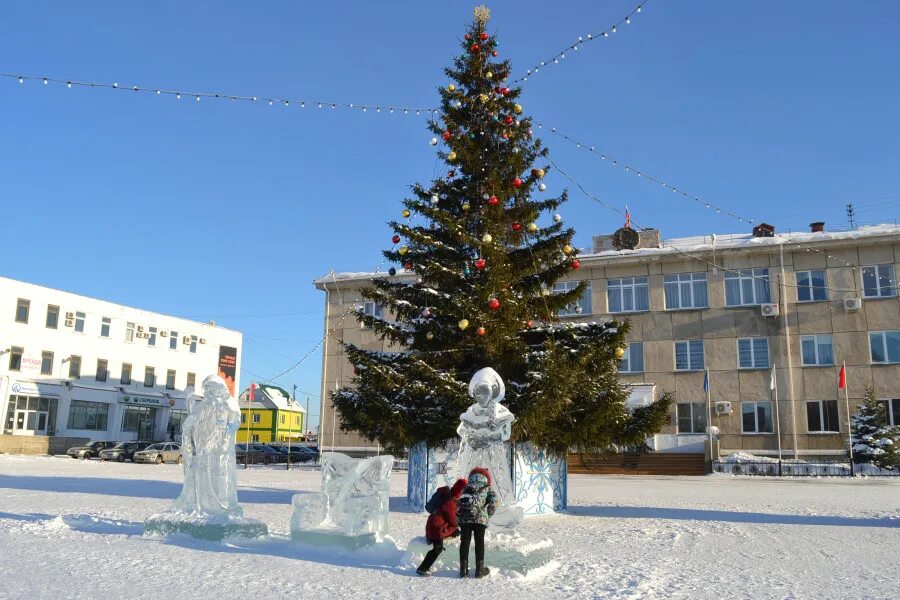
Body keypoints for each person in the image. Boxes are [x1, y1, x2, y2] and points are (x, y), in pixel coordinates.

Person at [416, 478, 468, 576]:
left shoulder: (447, 497)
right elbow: (453, 521)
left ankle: (423, 568)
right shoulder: (451, 502)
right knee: (438, 549)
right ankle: (422, 568)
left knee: (440, 545)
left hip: (433, 526)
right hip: (437, 529)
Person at [456, 466, 497, 578]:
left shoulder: (466, 486)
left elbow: (459, 502)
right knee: (479, 543)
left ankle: (463, 570)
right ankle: (479, 571)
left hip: (465, 518)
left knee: (465, 542)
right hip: (480, 519)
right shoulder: (487, 487)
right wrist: (487, 514)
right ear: (486, 476)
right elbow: (493, 503)